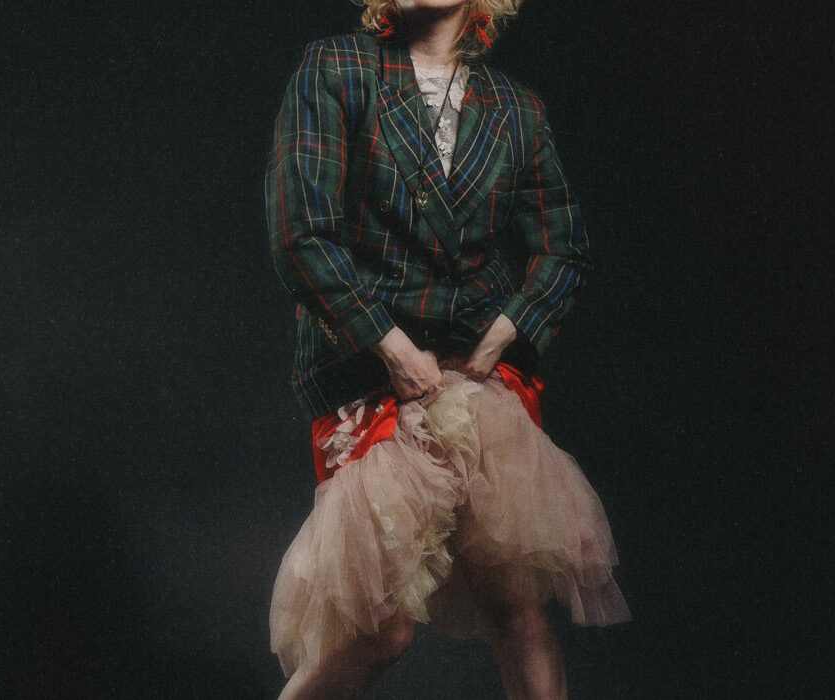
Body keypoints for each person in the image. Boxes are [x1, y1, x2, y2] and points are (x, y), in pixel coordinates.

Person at [264, 1, 630, 697]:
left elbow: (564, 248)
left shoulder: (516, 109)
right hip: (369, 370)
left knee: (514, 604)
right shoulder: (337, 68)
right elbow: (300, 232)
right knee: (379, 629)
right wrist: (392, 348)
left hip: (476, 373)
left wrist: (501, 337)